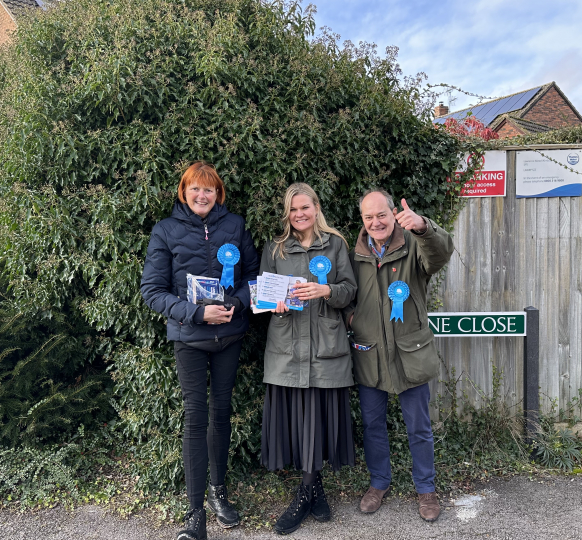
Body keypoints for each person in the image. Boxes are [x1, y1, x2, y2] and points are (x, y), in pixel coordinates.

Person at [141, 162, 259, 540]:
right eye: (195, 189)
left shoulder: (235, 226)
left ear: (218, 193)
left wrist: (236, 306)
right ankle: (195, 514)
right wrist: (195, 313)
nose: (202, 195)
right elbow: (152, 291)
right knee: (195, 418)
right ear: (184, 191)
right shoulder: (165, 230)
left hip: (229, 336)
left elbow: (253, 279)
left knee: (221, 413)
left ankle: (218, 494)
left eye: (208, 189)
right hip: (189, 339)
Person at [346, 188, 453, 522]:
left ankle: (426, 488)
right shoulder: (355, 253)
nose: (376, 222)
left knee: (418, 426)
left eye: (382, 214)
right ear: (362, 220)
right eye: (369, 216)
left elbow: (439, 255)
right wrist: (353, 318)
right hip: (370, 354)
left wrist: (423, 227)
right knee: (372, 425)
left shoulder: (413, 245)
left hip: (410, 354)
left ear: (394, 213)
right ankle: (379, 482)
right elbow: (344, 291)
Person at [260, 182, 357, 535]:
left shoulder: (336, 245)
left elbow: (350, 290)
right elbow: (263, 294)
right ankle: (313, 490)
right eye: (293, 209)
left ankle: (304, 494)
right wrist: (277, 303)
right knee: (297, 424)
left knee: (315, 422)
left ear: (316, 207)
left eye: (305, 207)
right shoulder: (276, 249)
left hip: (325, 350)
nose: (299, 214)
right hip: (287, 350)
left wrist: (327, 290)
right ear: (287, 213)